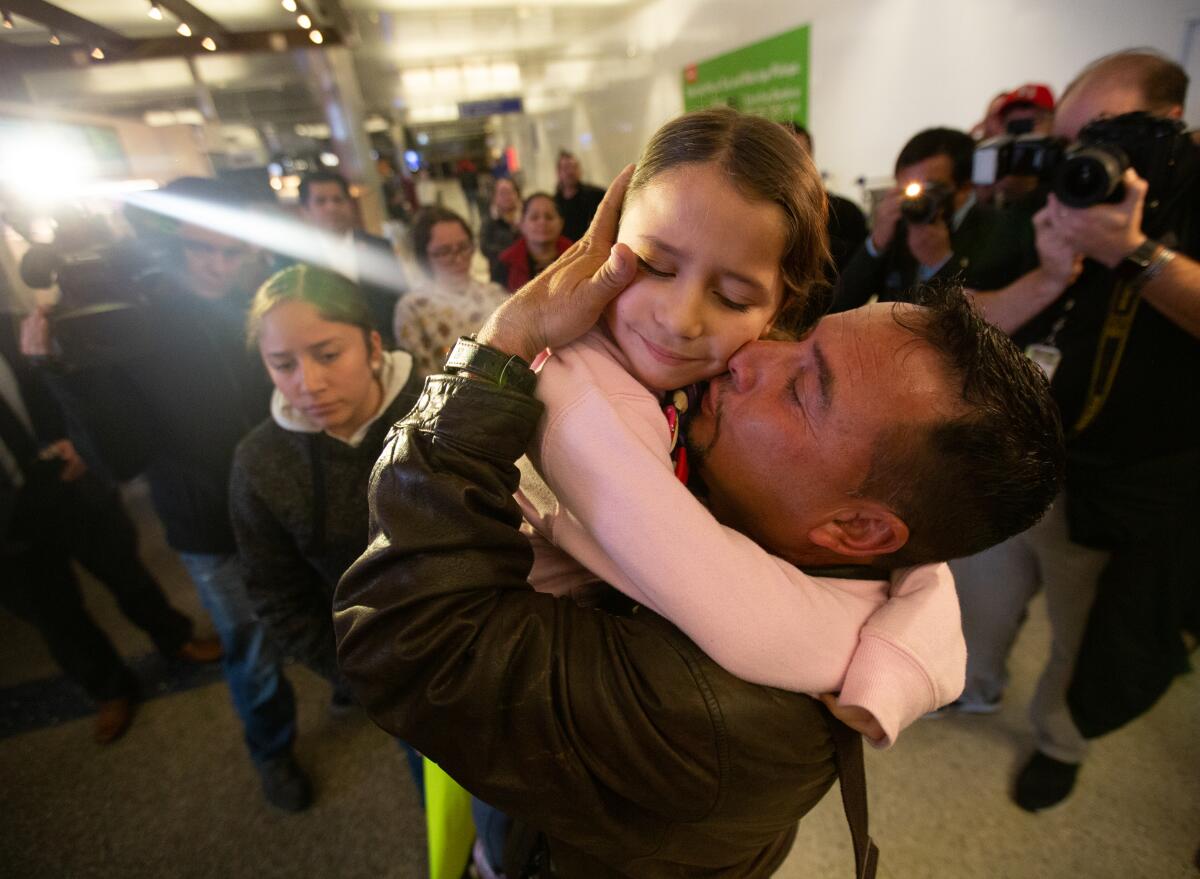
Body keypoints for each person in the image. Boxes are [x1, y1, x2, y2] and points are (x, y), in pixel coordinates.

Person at [334, 163, 1064, 878]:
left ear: (859, 531)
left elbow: (404, 642)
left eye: (803, 390)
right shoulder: (823, 533)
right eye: (799, 338)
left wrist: (501, 348)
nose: (752, 361)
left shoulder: (714, 712)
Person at [516, 110, 967, 751]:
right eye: (653, 265)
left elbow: (920, 554)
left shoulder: (725, 370)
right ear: (607, 238)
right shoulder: (580, 380)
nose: (680, 319)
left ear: (781, 306)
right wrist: (888, 655)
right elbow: (751, 622)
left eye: (731, 297)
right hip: (525, 689)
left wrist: (906, 654)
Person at [951, 49, 1200, 813]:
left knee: (1080, 633)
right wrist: (1053, 273)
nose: (1080, 158)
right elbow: (965, 319)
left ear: (1165, 129)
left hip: (1116, 485)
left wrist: (1133, 254)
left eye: (1102, 135)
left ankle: (1059, 739)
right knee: (976, 598)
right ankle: (970, 684)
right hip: (1016, 454)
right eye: (1069, 139)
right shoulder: (1050, 202)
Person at [20, 177, 311, 812]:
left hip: (290, 505)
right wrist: (61, 377)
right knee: (254, 652)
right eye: (204, 250)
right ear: (170, 244)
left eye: (234, 251)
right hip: (209, 525)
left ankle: (338, 684)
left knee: (322, 614)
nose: (220, 265)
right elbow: (118, 458)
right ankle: (273, 751)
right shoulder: (138, 318)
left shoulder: (256, 301)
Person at [229, 265, 423, 773]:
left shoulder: (439, 412)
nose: (308, 383)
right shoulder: (261, 463)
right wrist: (359, 679)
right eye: (282, 363)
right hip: (388, 678)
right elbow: (277, 594)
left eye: (328, 354)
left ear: (373, 346)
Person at [0, 346, 220, 744]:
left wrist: (78, 438)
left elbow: (67, 378)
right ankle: (110, 689)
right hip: (8, 523)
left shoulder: (13, 330)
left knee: (126, 571)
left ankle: (176, 639)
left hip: (69, 480)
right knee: (53, 616)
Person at [833, 127, 1038, 312]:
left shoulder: (1004, 231)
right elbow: (840, 307)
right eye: (905, 189)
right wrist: (875, 245)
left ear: (965, 187)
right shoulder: (900, 227)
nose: (916, 200)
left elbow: (990, 320)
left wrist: (941, 264)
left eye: (930, 189)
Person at [392, 207, 508, 379]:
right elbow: (424, 379)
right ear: (425, 257)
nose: (458, 258)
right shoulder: (412, 308)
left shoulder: (495, 293)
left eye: (463, 247)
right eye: (444, 252)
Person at [296, 170, 406, 348]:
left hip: (386, 347)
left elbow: (400, 299)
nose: (331, 207)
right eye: (321, 202)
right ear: (305, 211)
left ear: (350, 204)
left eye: (338, 199)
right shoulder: (297, 257)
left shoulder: (379, 247)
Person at [786, 122, 868, 278]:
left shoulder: (848, 214)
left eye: (798, 156)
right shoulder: (759, 215)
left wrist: (826, 247)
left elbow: (862, 276)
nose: (789, 166)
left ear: (811, 160)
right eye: (781, 156)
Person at [492, 192, 572, 293]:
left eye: (549, 217)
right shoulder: (505, 263)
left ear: (561, 223)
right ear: (522, 224)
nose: (542, 222)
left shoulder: (577, 256)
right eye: (534, 217)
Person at [553, 150, 606, 242]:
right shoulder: (553, 203)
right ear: (558, 173)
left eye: (574, 167)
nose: (571, 171)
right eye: (566, 168)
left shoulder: (596, 195)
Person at [479, 176, 522, 276]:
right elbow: (484, 247)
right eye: (502, 193)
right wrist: (510, 253)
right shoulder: (489, 220)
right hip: (500, 272)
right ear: (494, 197)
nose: (507, 196)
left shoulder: (527, 216)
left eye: (510, 192)